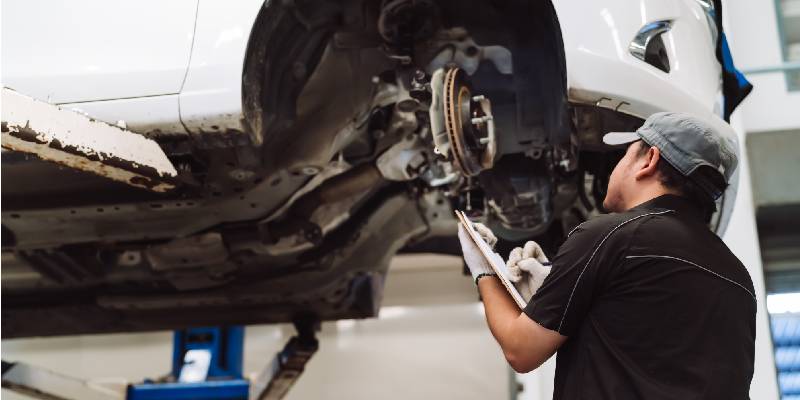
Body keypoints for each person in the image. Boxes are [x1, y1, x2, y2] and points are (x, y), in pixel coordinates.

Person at [458, 112, 755, 399]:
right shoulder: (738, 277)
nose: (618, 163)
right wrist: (560, 293)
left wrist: (484, 268)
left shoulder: (612, 236)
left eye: (625, 153)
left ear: (648, 160)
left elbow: (520, 350)